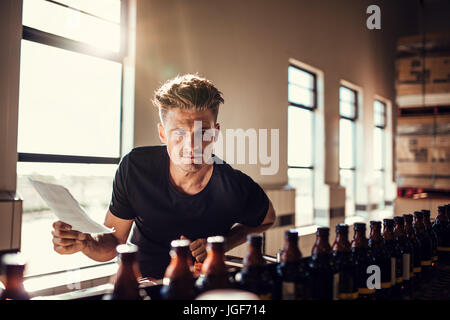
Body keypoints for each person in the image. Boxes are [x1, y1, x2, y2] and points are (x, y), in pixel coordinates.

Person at [51, 74, 276, 279]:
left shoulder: (234, 186)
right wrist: (86, 242)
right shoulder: (135, 167)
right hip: (140, 284)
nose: (192, 146)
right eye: (179, 133)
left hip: (197, 290)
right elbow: (114, 242)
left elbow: (268, 218)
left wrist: (223, 243)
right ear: (162, 133)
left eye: (203, 133)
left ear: (215, 133)